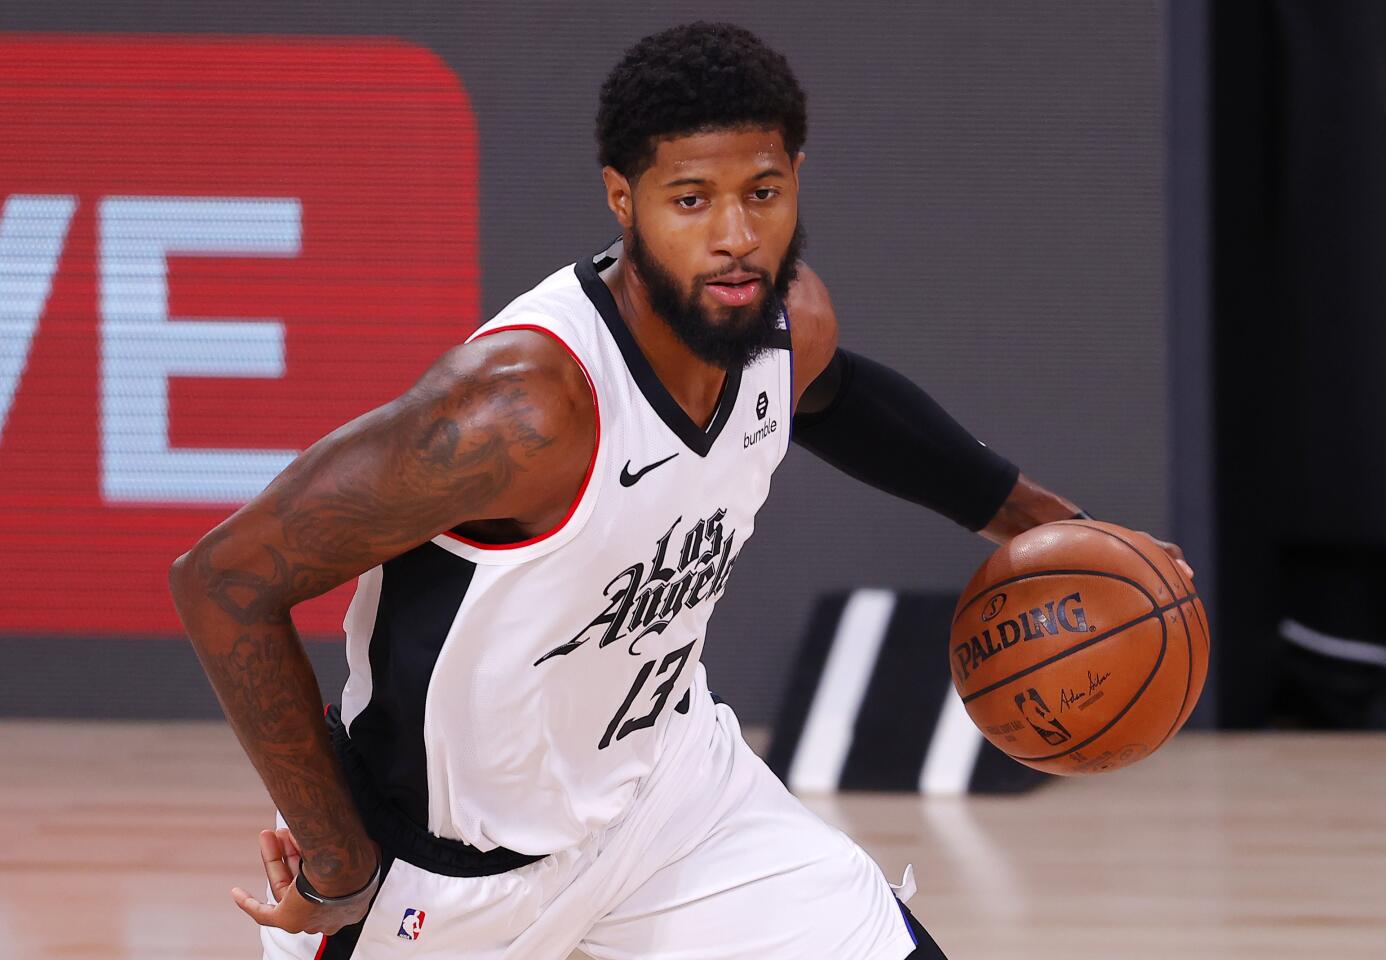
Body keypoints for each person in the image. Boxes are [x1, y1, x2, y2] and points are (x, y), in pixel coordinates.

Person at [169, 21, 1193, 960]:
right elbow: (224, 582)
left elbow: (837, 399)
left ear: (797, 177)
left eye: (762, 191)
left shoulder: (785, 321)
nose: (736, 235)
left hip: (667, 802)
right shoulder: (523, 411)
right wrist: (338, 862)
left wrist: (1051, 525)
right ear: (625, 200)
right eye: (691, 200)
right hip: (444, 875)